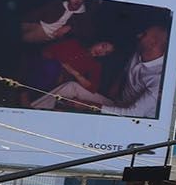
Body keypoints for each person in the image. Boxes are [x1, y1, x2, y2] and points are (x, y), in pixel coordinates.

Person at [30, 23, 169, 117]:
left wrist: (87, 105)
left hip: (130, 119)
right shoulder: (139, 53)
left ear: (153, 43)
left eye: (144, 34)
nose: (139, 36)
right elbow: (126, 72)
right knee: (71, 87)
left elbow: (133, 113)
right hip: (117, 103)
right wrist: (114, 90)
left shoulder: (161, 78)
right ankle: (30, 112)